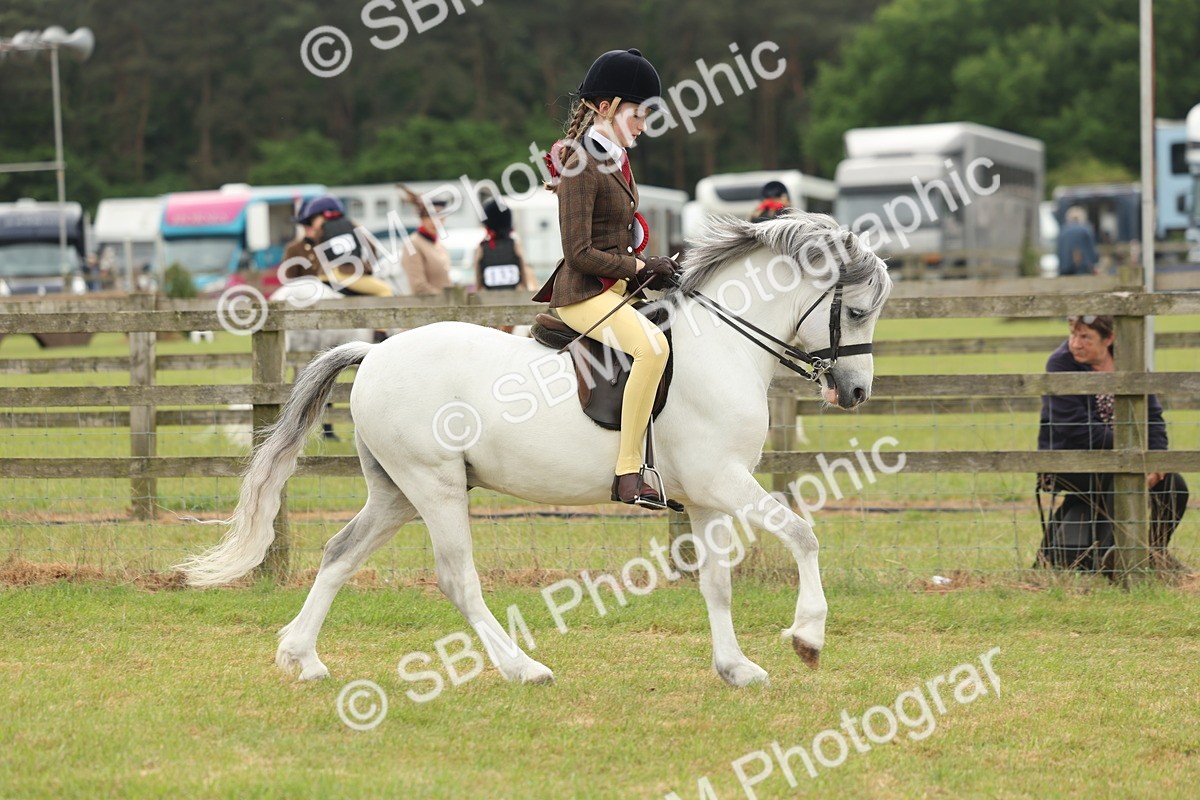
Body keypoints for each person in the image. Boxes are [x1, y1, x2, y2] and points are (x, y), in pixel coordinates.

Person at [533, 48, 679, 509]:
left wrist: (649, 266)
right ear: (605, 107)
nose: (643, 125)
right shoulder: (580, 163)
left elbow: (615, 238)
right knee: (652, 349)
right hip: (582, 294)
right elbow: (578, 253)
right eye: (638, 114)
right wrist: (637, 268)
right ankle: (628, 472)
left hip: (616, 289)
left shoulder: (615, 160)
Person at [1036, 314, 1189, 572]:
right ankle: (1114, 559)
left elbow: (1152, 416)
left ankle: (1153, 553)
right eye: (1073, 334)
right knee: (1118, 479)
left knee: (1174, 485)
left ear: (1109, 338)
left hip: (1131, 457)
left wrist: (1156, 458)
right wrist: (1134, 455)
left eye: (1086, 337)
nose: (1075, 343)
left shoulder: (1130, 361)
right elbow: (1075, 428)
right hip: (1072, 460)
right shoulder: (1061, 364)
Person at [283, 196, 393, 297]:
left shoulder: (320, 232)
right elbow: (371, 246)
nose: (312, 225)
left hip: (324, 276)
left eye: (313, 220)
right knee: (386, 290)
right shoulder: (349, 225)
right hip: (345, 275)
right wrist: (368, 267)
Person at [474, 199, 535, 293]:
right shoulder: (514, 244)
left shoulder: (482, 247)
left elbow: (478, 278)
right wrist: (526, 289)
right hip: (514, 294)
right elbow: (524, 273)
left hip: (489, 296)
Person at [400, 197, 453, 296]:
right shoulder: (413, 244)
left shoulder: (440, 246)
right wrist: (445, 298)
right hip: (427, 303)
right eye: (430, 216)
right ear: (421, 218)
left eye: (440, 216)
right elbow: (418, 286)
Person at [1056, 205, 1099, 276]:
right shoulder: (1086, 229)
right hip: (1082, 266)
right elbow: (1091, 249)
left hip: (1065, 267)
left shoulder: (1063, 230)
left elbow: (1059, 250)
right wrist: (1095, 262)